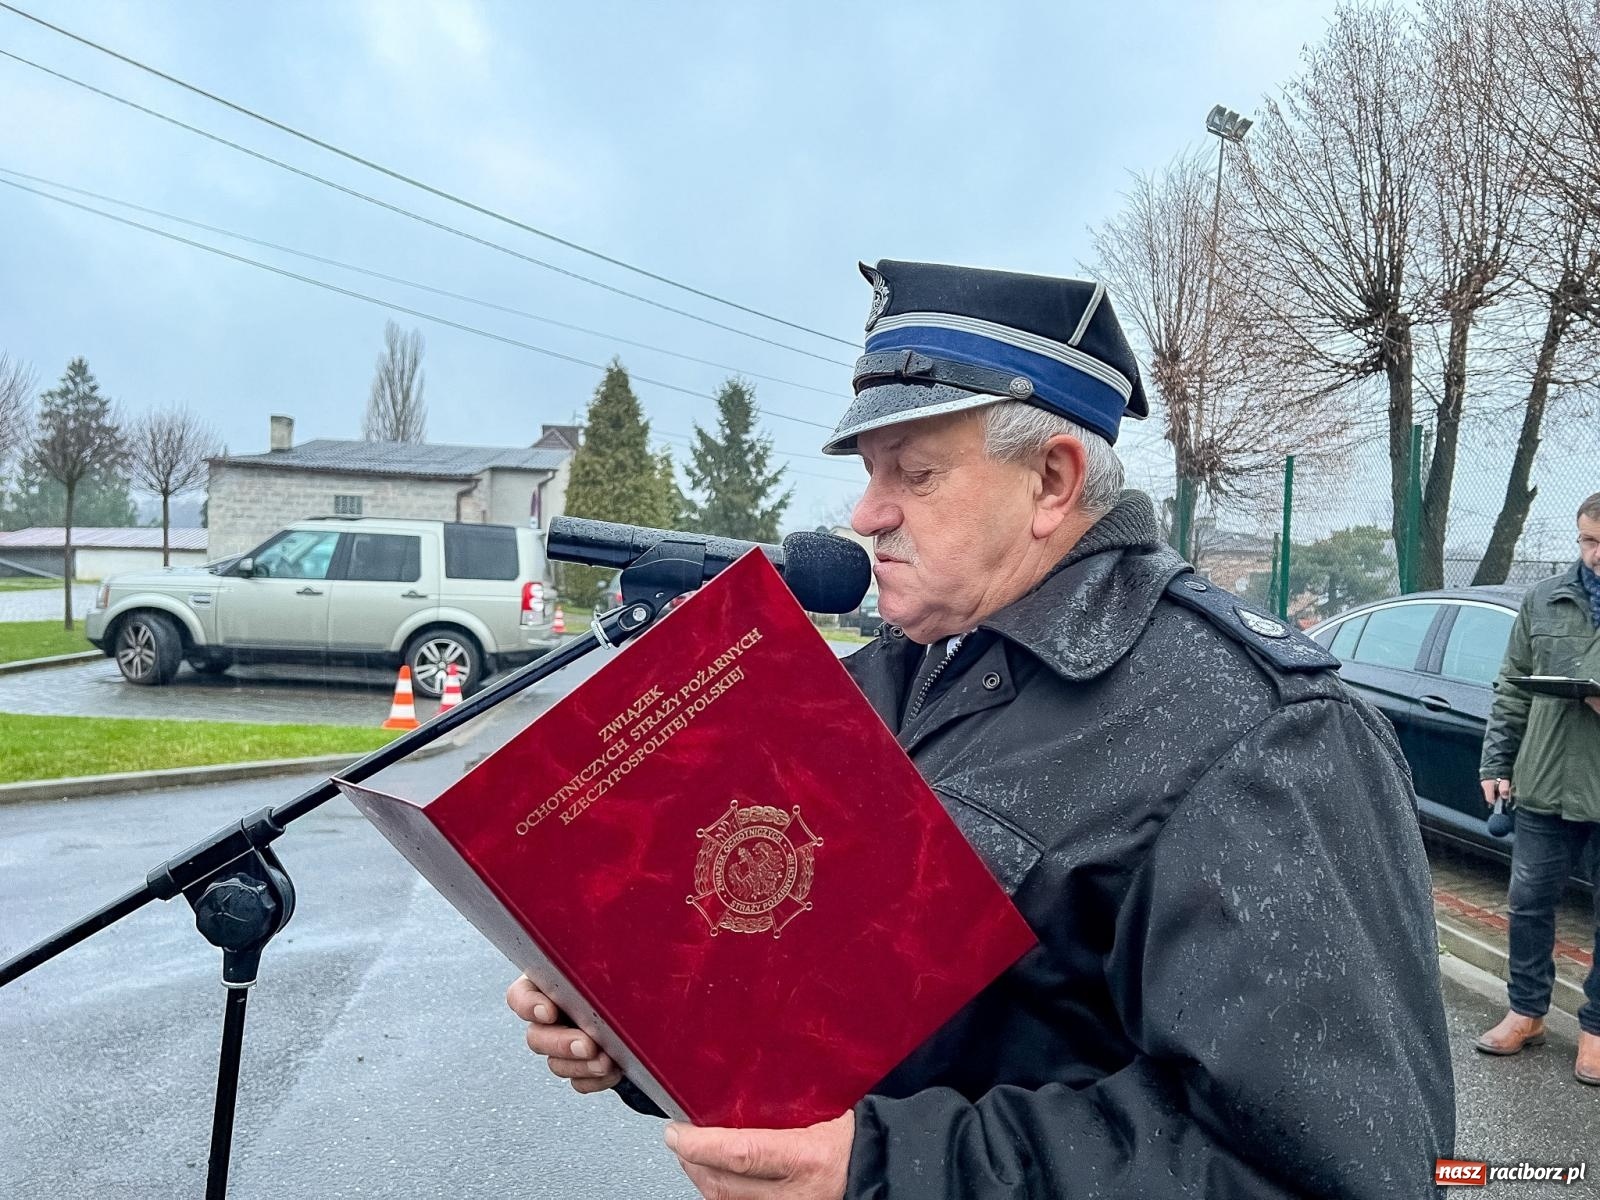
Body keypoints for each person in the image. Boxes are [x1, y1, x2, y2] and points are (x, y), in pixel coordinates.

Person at [508, 260, 1456, 1198]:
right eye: (871, 476)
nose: (867, 517)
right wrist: (634, 1030)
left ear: (1052, 480)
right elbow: (813, 980)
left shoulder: (1258, 731)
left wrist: (888, 1170)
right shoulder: (894, 673)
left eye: (914, 475)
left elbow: (1334, 1171)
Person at [1474, 493, 1600, 1085]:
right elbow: (1512, 689)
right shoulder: (1543, 599)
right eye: (1587, 541)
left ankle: (1597, 1029)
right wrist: (1496, 762)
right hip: (1544, 783)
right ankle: (1526, 1011)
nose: (1594, 555)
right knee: (1527, 906)